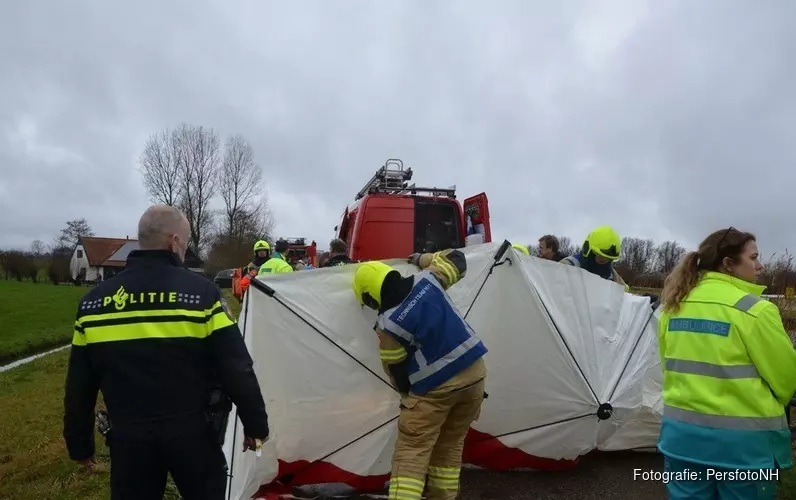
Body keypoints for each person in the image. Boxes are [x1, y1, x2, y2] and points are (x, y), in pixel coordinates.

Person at [63, 205, 270, 500]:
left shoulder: (93, 304)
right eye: (185, 243)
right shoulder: (202, 295)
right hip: (194, 436)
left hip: (128, 441)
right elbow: (236, 366)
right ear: (174, 242)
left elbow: (79, 384)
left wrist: (79, 444)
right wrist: (255, 425)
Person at [657, 227, 796, 500]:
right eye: (753, 257)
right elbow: (786, 380)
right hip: (743, 450)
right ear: (728, 264)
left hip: (681, 440)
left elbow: (669, 367)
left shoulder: (673, 306)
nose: (760, 265)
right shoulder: (756, 311)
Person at [352, 249, 488, 500]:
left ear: (372, 297)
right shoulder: (428, 279)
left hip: (436, 389)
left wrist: (411, 403)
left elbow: (398, 374)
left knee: (411, 452)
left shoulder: (388, 326)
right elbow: (457, 259)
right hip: (475, 377)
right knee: (449, 445)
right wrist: (421, 259)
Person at [560, 225, 629, 289]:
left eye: (608, 258)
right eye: (599, 255)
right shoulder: (568, 264)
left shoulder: (611, 275)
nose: (604, 260)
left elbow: (624, 291)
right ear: (588, 250)